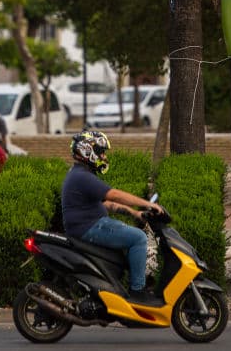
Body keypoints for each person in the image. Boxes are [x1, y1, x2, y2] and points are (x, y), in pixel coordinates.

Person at [61, 130, 165, 304]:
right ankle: (137, 292)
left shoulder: (80, 174)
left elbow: (106, 204)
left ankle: (119, 291)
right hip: (90, 228)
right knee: (138, 238)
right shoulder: (82, 176)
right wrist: (148, 204)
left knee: (126, 246)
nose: (103, 156)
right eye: (101, 151)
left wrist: (135, 213)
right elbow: (113, 195)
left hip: (91, 225)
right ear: (88, 151)